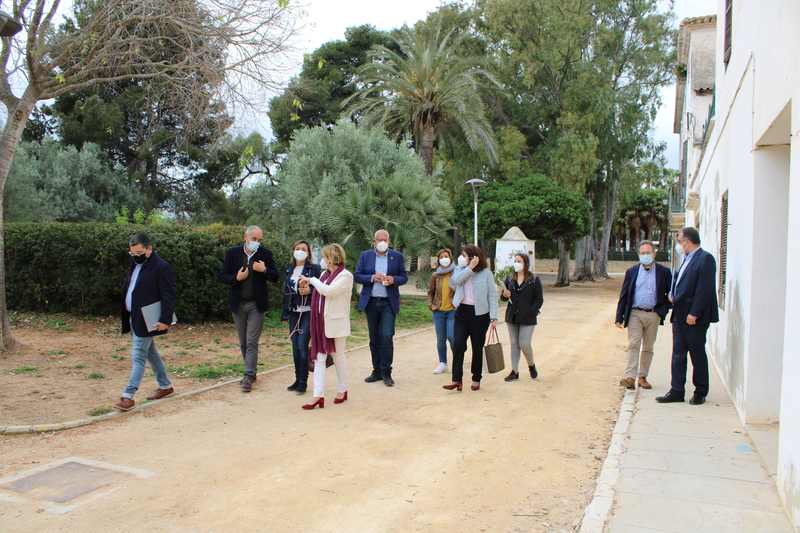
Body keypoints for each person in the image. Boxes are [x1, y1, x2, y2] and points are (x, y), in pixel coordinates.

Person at [657, 227, 719, 406]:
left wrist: (695, 312)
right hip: (679, 314)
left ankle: (700, 391)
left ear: (688, 241)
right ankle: (676, 390)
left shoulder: (705, 259)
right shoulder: (685, 259)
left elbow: (705, 289)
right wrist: (672, 293)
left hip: (694, 317)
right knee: (678, 354)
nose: (678, 245)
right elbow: (680, 281)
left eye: (679, 241)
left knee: (697, 354)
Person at [114, 233, 176, 412]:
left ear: (149, 249)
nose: (135, 256)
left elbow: (169, 295)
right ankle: (165, 386)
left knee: (138, 355)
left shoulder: (162, 267)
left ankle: (128, 396)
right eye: (132, 254)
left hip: (149, 319)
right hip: (135, 317)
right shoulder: (135, 263)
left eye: (139, 253)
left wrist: (165, 320)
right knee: (151, 354)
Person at [219, 225, 279, 393]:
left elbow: (275, 276)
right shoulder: (232, 253)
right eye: (254, 239)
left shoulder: (265, 254)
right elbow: (222, 275)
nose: (257, 243)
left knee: (252, 341)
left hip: (256, 305)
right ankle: (251, 373)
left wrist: (265, 269)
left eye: (260, 240)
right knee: (244, 342)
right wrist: (236, 278)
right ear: (246, 237)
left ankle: (248, 375)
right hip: (238, 304)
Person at [299, 244, 354, 410]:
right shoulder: (323, 274)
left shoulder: (346, 276)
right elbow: (319, 293)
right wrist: (308, 288)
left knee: (338, 357)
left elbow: (329, 291)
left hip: (336, 325)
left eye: (324, 257)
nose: (322, 260)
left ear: (331, 258)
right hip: (320, 323)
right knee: (319, 358)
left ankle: (342, 389)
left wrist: (312, 280)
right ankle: (318, 396)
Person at [614, 242, 673, 390]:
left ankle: (642, 377)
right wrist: (619, 316)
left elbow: (670, 294)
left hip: (653, 314)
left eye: (648, 252)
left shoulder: (664, 272)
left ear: (654, 254)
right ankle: (630, 377)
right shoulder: (632, 271)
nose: (645, 255)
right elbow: (624, 294)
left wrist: (663, 310)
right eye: (642, 253)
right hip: (635, 313)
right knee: (634, 343)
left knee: (648, 347)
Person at [354, 229, 408, 387]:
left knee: (386, 336)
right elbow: (357, 275)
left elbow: (404, 277)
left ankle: (386, 372)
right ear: (374, 241)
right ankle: (376, 370)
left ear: (389, 242)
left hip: (388, 303)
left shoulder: (396, 256)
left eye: (385, 240)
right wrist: (372, 277)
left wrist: (393, 279)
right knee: (374, 338)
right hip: (371, 302)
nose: (382, 242)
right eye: (379, 240)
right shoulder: (366, 256)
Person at [443, 245, 498, 392]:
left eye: (464, 255)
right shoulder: (460, 270)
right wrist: (469, 269)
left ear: (474, 257)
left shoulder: (486, 273)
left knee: (477, 347)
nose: (461, 258)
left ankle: (476, 378)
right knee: (458, 344)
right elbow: (454, 283)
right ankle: (457, 380)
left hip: (480, 315)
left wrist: (494, 317)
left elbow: (492, 295)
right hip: (462, 312)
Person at [281, 240, 321, 395]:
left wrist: (310, 291)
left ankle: (303, 383)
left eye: (303, 249)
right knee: (295, 347)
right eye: (297, 248)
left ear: (308, 253)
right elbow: (285, 290)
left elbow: (321, 288)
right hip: (293, 312)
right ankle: (297, 379)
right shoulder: (289, 269)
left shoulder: (315, 269)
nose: (300, 251)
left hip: (308, 312)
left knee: (302, 346)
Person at [500, 253, 543, 382]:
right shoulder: (509, 279)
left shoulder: (534, 280)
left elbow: (539, 299)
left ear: (525, 264)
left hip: (528, 318)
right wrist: (504, 294)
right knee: (514, 344)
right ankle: (514, 371)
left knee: (524, 343)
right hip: (511, 316)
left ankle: (531, 365)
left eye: (519, 261)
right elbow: (503, 298)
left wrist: (532, 312)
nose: (516, 263)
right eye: (515, 261)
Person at [428, 249, 456, 374]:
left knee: (452, 336)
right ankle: (442, 363)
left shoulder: (456, 273)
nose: (444, 258)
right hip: (438, 311)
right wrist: (431, 304)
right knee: (441, 339)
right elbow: (430, 292)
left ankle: (457, 360)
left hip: (452, 310)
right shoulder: (435, 275)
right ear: (438, 260)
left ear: (450, 258)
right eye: (442, 257)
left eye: (446, 256)